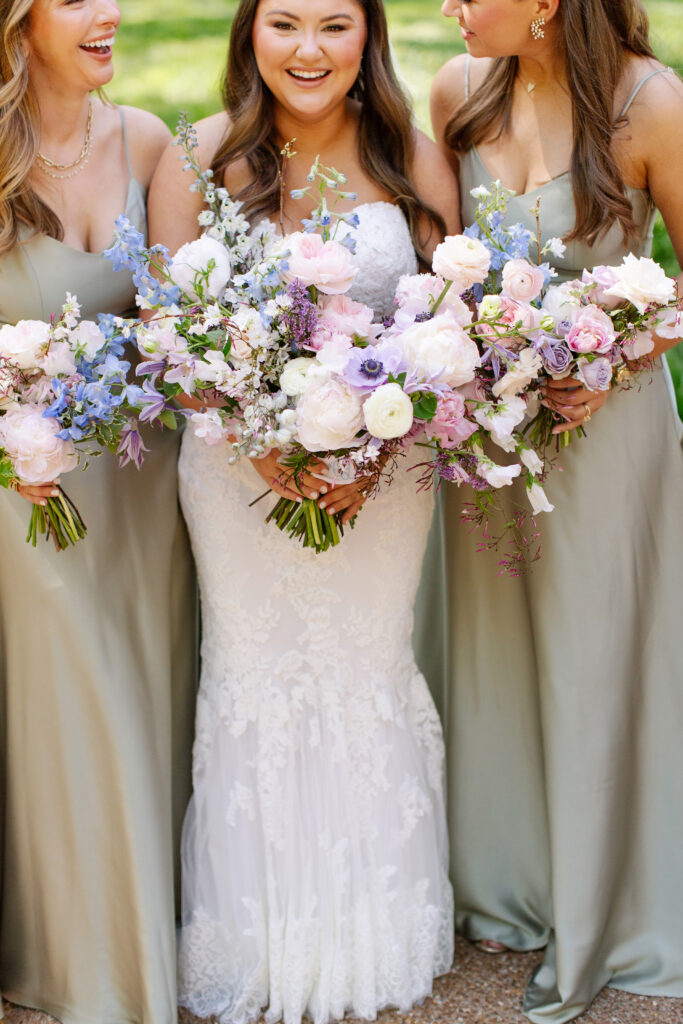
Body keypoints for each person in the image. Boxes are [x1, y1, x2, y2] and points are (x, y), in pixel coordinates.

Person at [149, 1, 461, 1021]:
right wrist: (260, 444)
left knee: (367, 662)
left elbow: (447, 332)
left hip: (385, 473)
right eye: (283, 23)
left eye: (335, 24)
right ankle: (254, 937)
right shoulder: (198, 157)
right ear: (250, 37)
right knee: (254, 671)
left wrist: (377, 443)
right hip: (237, 477)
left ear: (367, 37)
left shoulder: (411, 155)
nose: (309, 50)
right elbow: (167, 330)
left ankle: (376, 927)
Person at [416, 1, 683, 1021]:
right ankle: (505, 883)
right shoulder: (458, 90)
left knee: (588, 655)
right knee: (489, 652)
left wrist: (611, 349)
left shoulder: (650, 106)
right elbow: (439, 274)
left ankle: (601, 904)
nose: (447, 6)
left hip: (603, 435)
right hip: (485, 433)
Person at [0, 1, 196, 1021]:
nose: (110, 13)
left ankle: (141, 925)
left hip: (141, 478)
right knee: (84, 679)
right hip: (23, 489)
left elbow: (178, 324)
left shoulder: (149, 140)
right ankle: (99, 969)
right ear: (18, 21)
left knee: (144, 677)